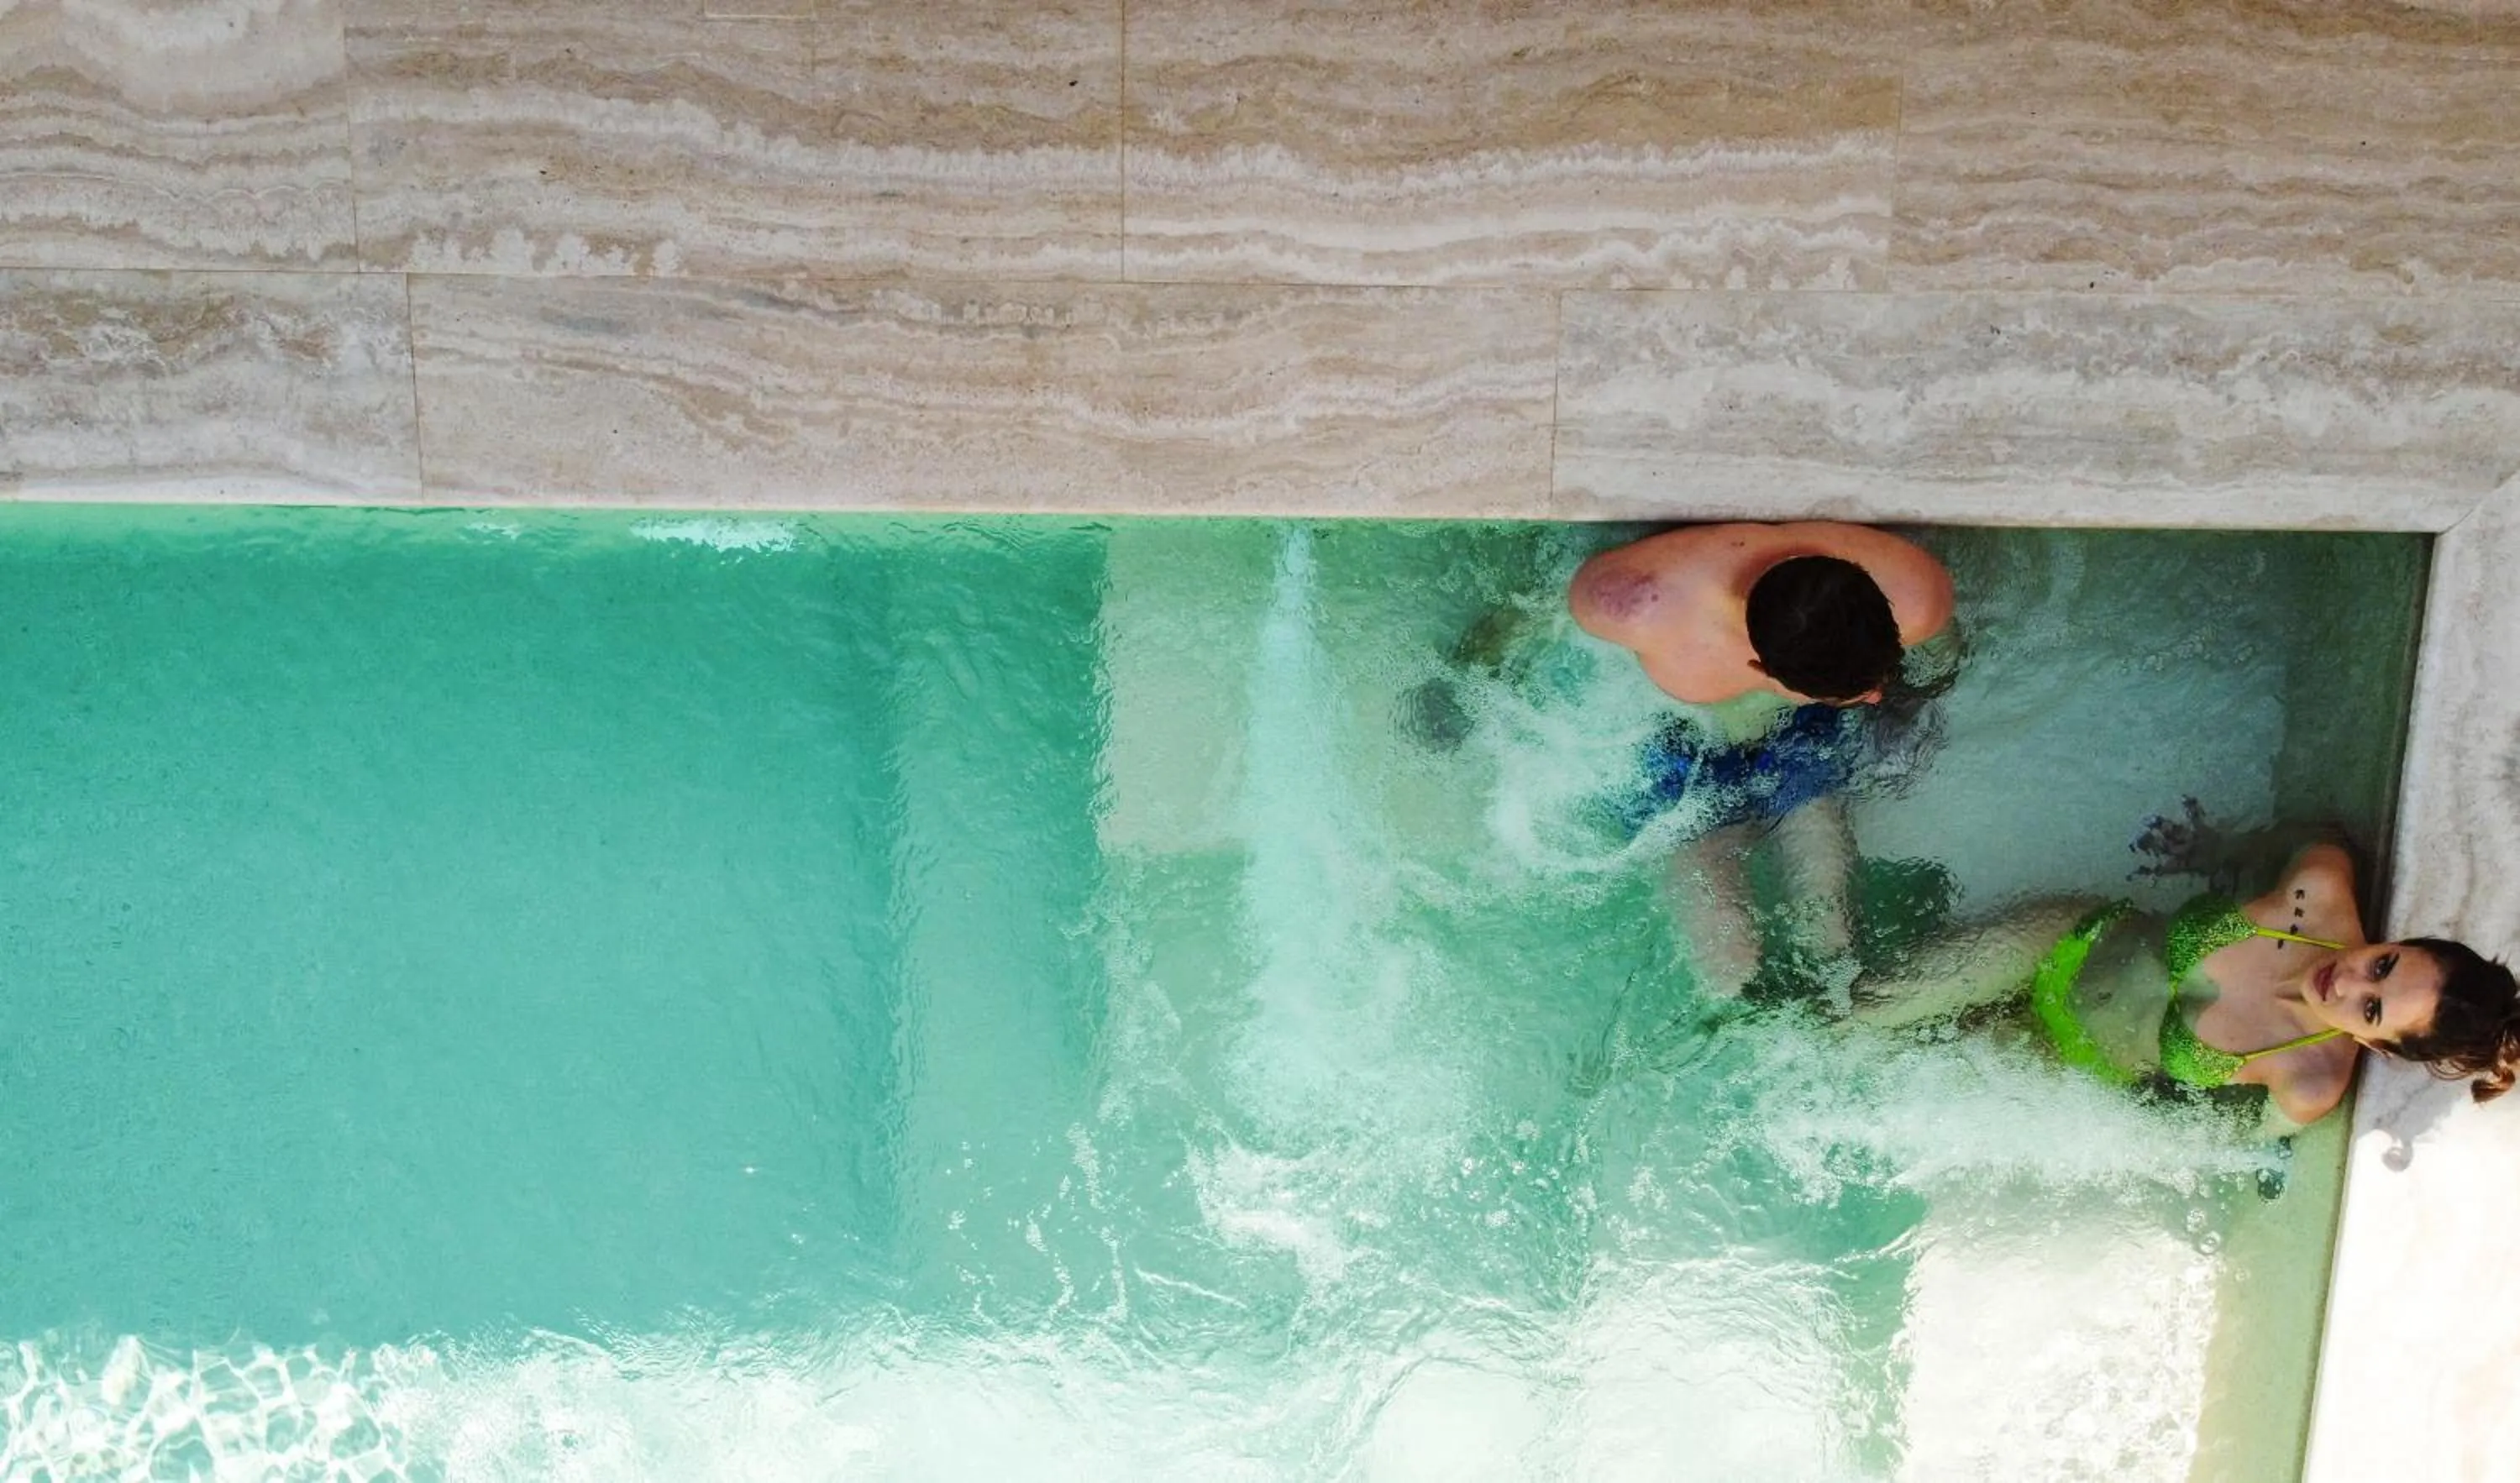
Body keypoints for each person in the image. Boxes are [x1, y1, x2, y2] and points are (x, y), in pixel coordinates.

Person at [1849, 840, 2520, 1127]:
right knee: (1868, 1012)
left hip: (2065, 1057)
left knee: (1876, 1077)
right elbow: (2266, 841)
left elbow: (2213, 1142)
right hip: (2063, 943)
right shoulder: (2317, 889)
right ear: (2398, 941)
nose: (2346, 982)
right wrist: (2208, 847)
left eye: (2371, 1009)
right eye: (2383, 964)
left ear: (2378, 1047)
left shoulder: (2309, 1083)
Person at [1566, 523, 1960, 999]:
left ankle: (1828, 983)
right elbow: (1532, 614)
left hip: (1790, 721)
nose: (1876, 697)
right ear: (1759, 669)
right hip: (1676, 733)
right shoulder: (1634, 603)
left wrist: (1898, 701)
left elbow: (1937, 662)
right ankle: (1742, 1009)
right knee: (1714, 901)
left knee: (1821, 894)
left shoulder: (1915, 594)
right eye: (1855, 694)